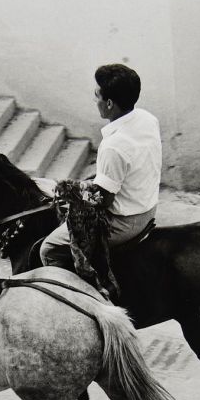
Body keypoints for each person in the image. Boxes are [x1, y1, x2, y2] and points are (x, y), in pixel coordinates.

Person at [40, 63, 161, 269]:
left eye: (97, 95)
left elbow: (103, 200)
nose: (94, 100)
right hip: (148, 206)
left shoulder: (113, 146)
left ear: (109, 104)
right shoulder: (147, 119)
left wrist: (66, 193)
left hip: (124, 222)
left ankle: (85, 294)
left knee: (48, 248)